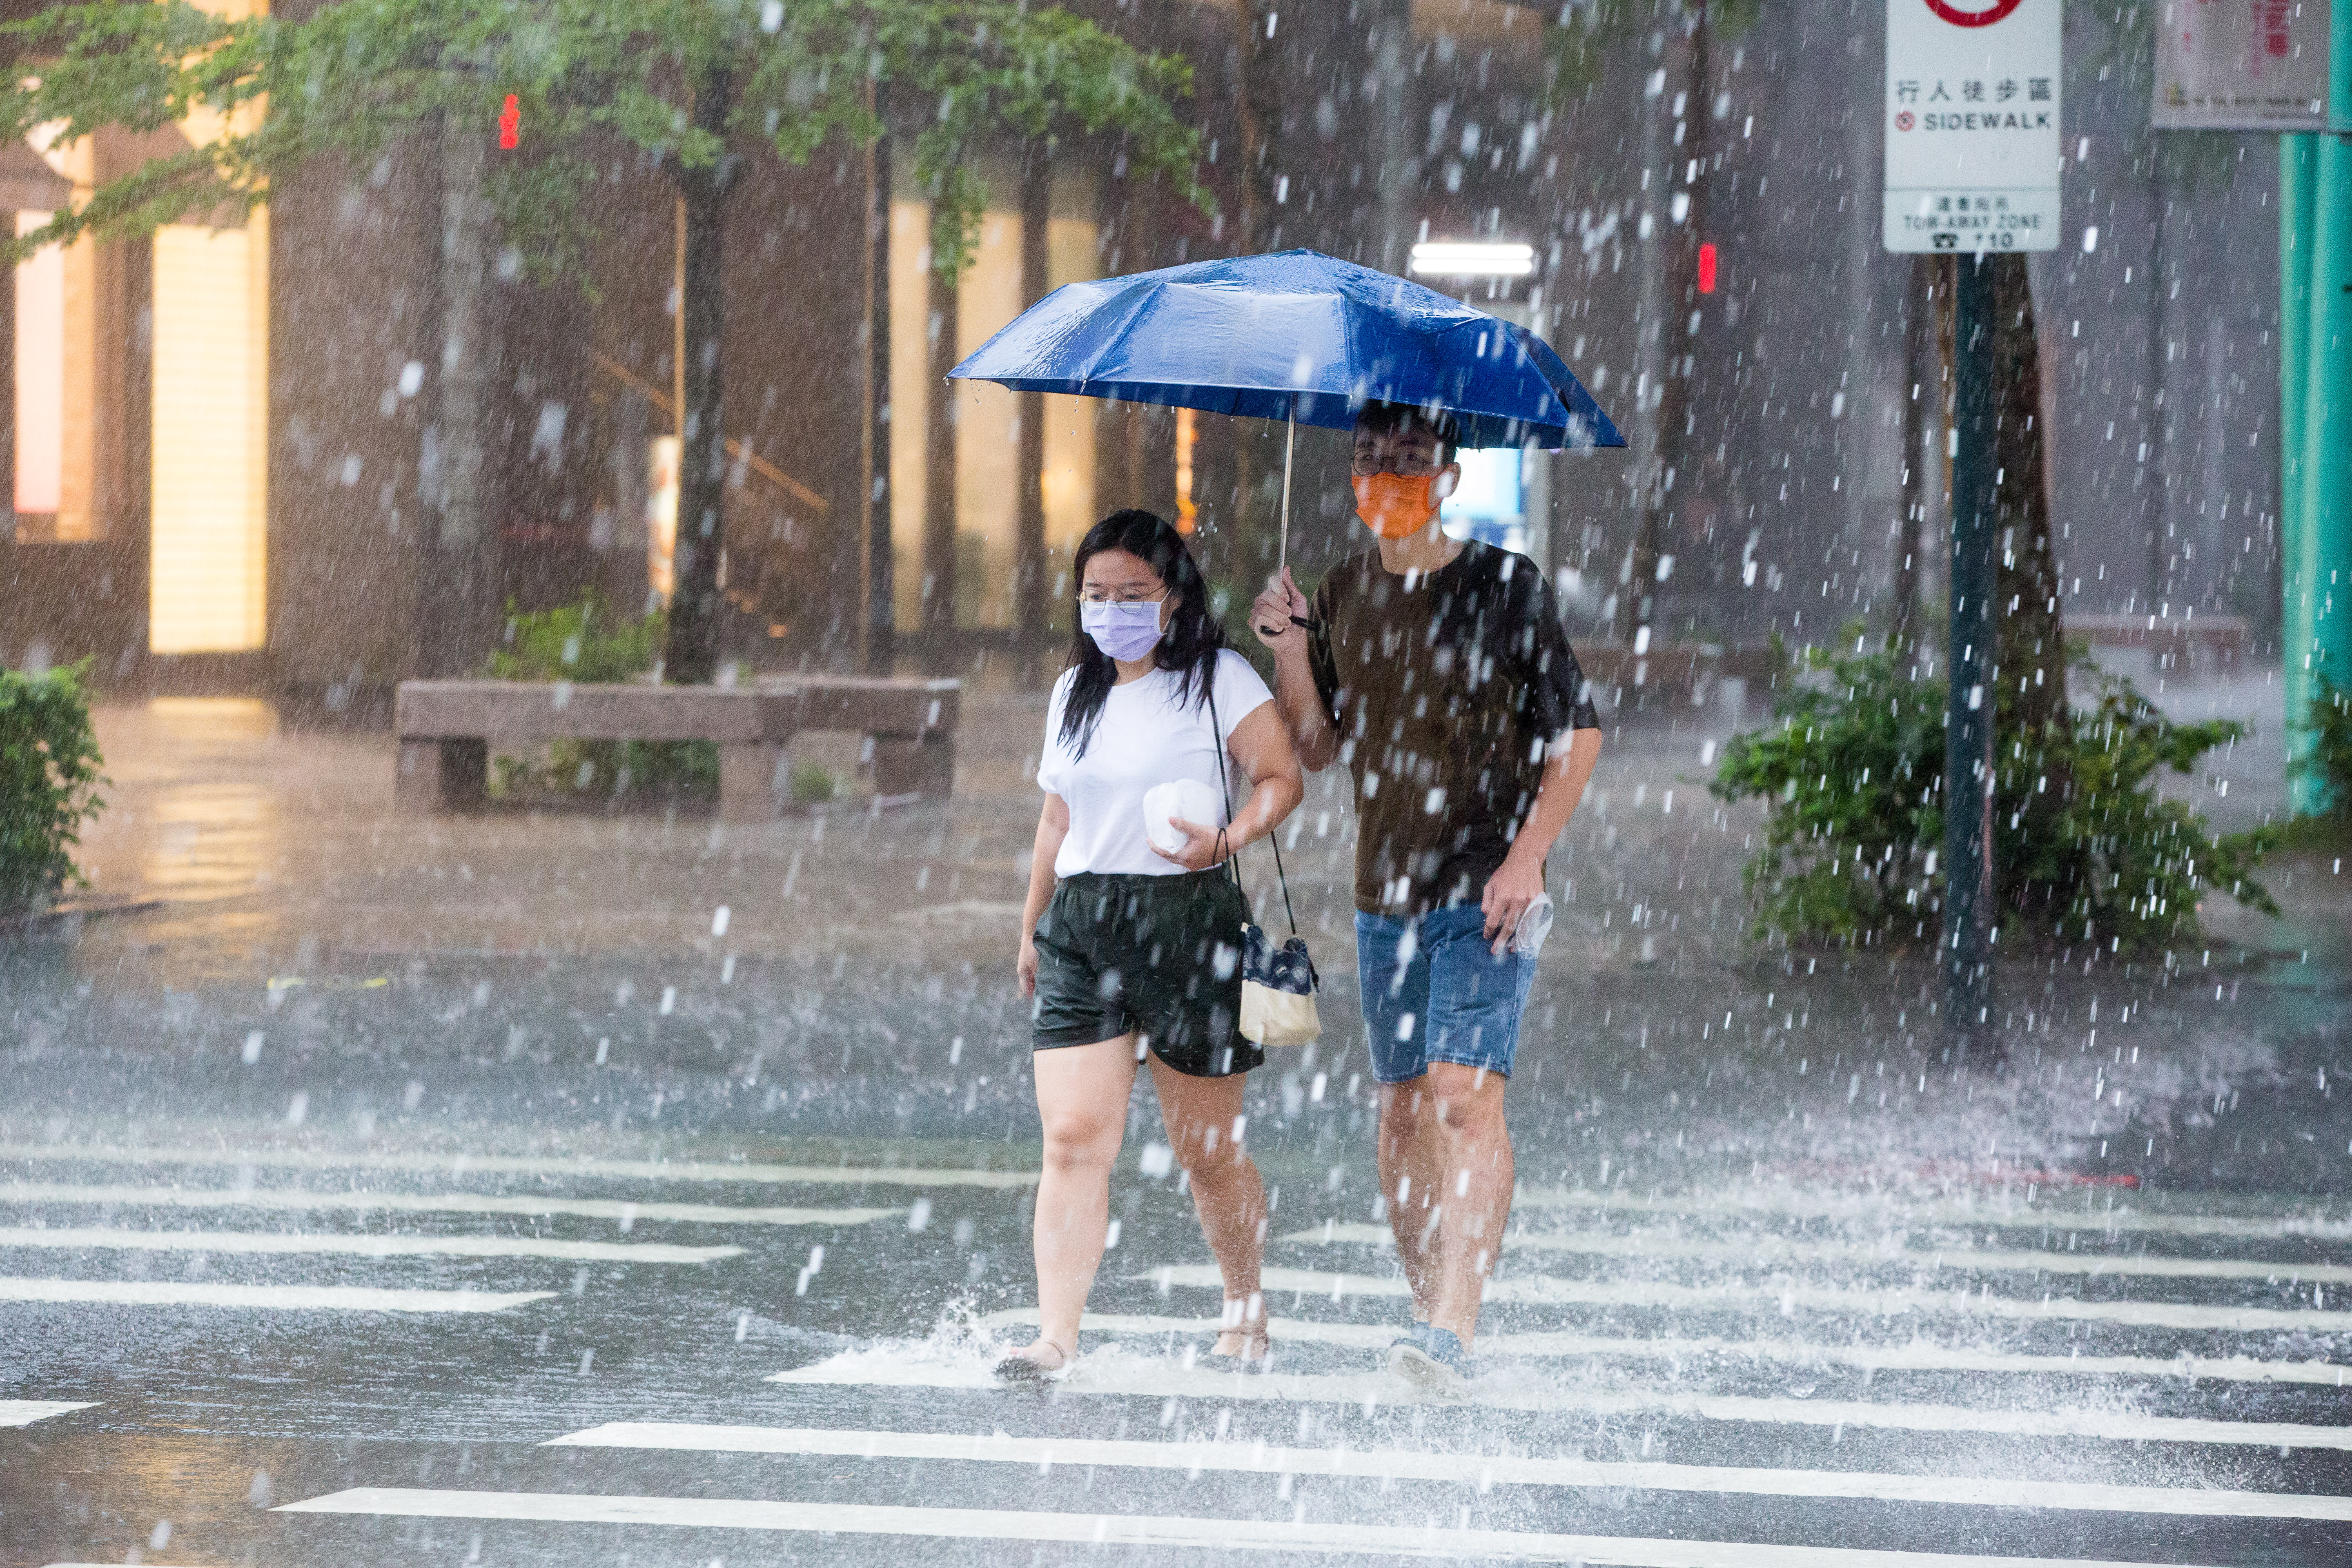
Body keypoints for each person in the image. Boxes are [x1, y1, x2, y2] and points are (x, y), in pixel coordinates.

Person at [1251, 402, 1604, 1392]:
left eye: (1409, 460)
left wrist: (1529, 856)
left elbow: (1578, 735)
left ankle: (1455, 1323)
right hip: (1384, 895)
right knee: (1403, 1109)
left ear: (1449, 477)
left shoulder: (1505, 587)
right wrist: (1288, 646)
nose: (1386, 475)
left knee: (1462, 1098)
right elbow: (1319, 748)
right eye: (1369, 459)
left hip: (1488, 888)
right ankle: (1425, 1305)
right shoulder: (1343, 592)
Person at [999, 508, 1305, 1384]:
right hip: (1084, 929)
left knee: (1207, 1151)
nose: (1113, 610)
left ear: (1173, 599)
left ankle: (1245, 1311)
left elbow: (1282, 778)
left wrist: (1230, 838)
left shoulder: (1219, 679)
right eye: (1097, 594)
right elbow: (1056, 819)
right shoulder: (1073, 692)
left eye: (1133, 594)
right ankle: (1056, 1335)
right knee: (1071, 1138)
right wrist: (1031, 927)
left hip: (1192, 923)